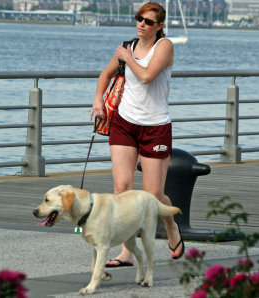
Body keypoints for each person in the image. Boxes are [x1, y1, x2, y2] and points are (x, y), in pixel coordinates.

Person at [90, 2, 184, 267]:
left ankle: (171, 225)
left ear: (159, 26)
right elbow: (106, 74)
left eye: (148, 22)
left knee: (153, 195)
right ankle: (126, 252)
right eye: (139, 19)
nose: (141, 24)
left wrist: (127, 57)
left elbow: (146, 77)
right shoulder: (127, 46)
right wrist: (98, 100)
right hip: (124, 123)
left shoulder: (164, 47)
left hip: (155, 127)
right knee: (122, 190)